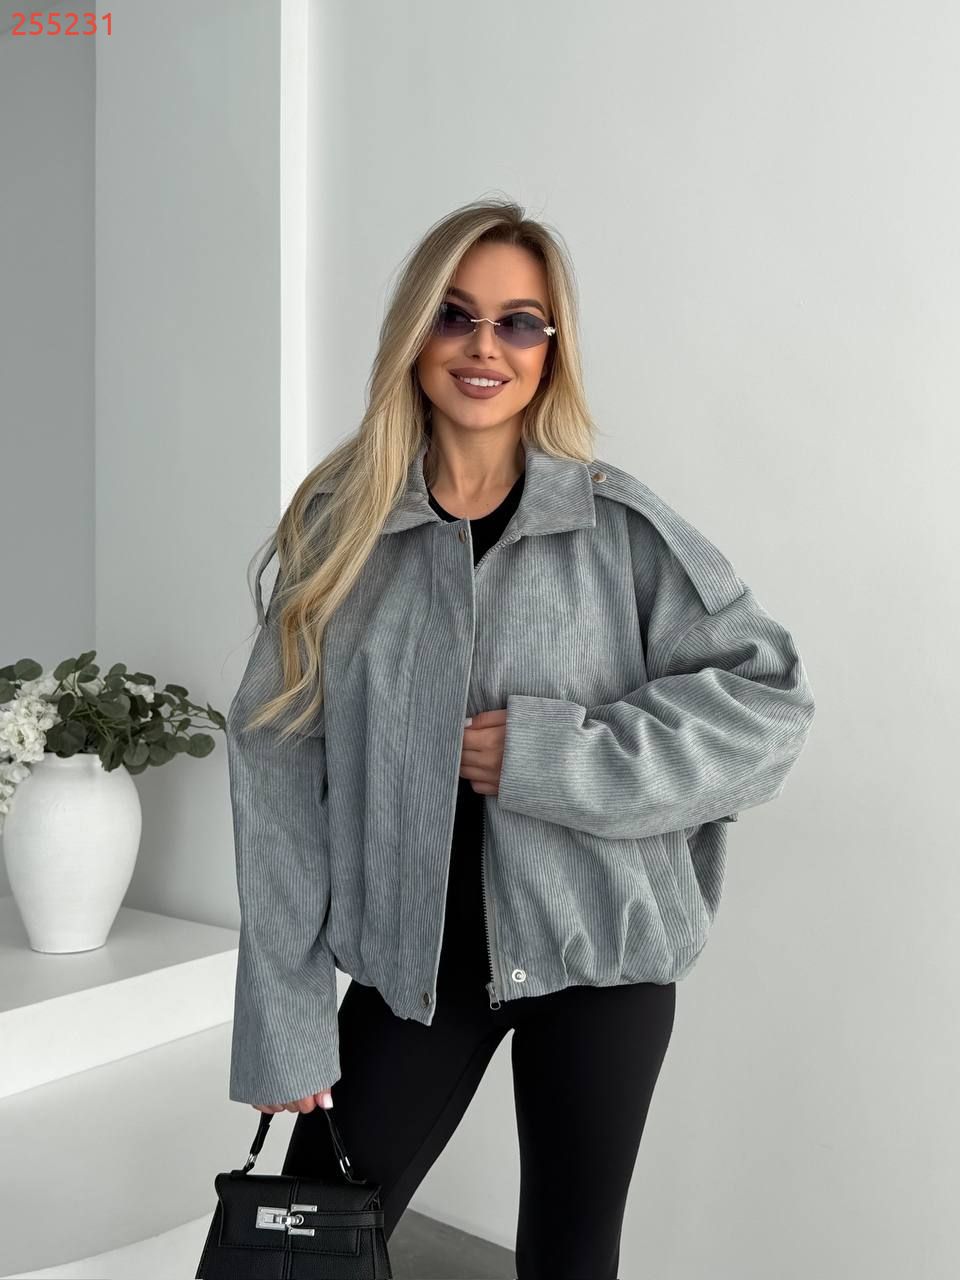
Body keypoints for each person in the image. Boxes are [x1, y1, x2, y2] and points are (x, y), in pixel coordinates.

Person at [223, 197, 816, 1280]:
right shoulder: (341, 531)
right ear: (416, 334)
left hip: (600, 957)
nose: (484, 347)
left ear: (551, 349)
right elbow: (274, 767)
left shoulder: (619, 529)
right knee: (294, 1253)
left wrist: (556, 758)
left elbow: (769, 706)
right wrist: (287, 1014)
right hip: (413, 973)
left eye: (519, 322)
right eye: (455, 315)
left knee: (571, 1257)